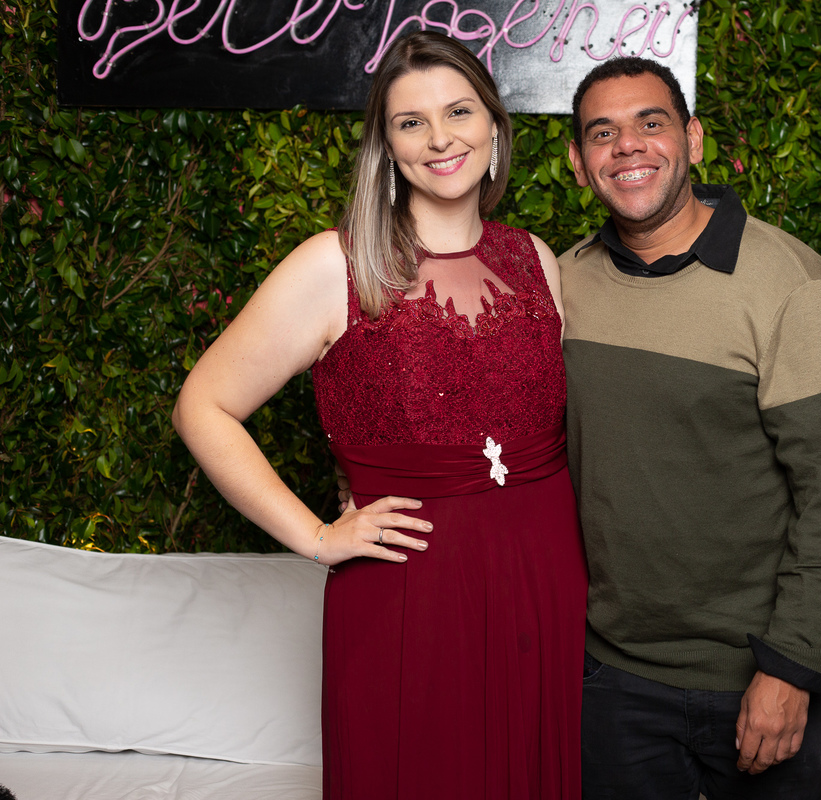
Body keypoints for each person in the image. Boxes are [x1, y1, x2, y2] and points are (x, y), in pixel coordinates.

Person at [172, 30, 587, 799]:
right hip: (410, 593)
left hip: (545, 580)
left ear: (493, 125)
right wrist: (316, 536)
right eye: (411, 122)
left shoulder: (535, 258)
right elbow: (204, 405)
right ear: (386, 147)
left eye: (459, 111)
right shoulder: (335, 264)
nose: (440, 138)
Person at [557, 58, 821, 799]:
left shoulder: (791, 286)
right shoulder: (564, 283)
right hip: (611, 680)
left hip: (759, 676)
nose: (627, 146)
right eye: (602, 133)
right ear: (577, 162)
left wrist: (792, 669)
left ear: (693, 140)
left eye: (651, 123)